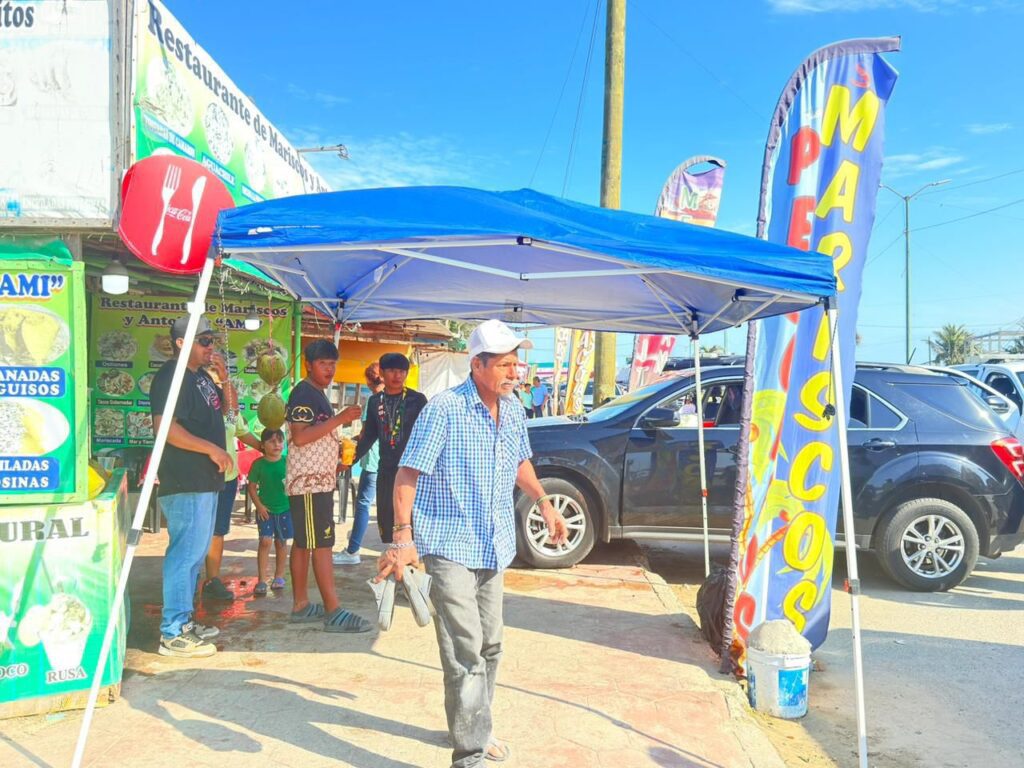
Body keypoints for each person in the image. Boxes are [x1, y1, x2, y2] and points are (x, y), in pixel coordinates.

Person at [375, 319, 569, 767]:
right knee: (465, 651)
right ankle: (470, 754)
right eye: (504, 364)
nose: (514, 372)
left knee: (491, 644)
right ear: (476, 365)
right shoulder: (444, 410)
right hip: (449, 545)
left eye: (516, 363)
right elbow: (407, 472)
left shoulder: (514, 409)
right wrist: (402, 538)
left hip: (494, 544)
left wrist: (544, 502)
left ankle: (477, 725)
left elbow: (519, 461)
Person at [150, 315, 234, 658]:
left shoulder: (201, 377)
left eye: (212, 340)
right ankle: (172, 633)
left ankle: (184, 622)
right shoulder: (171, 376)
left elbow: (228, 412)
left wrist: (224, 378)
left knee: (195, 555)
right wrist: (211, 449)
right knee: (184, 555)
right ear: (182, 343)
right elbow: (164, 427)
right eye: (205, 341)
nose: (210, 347)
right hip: (185, 479)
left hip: (205, 480)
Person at [284, 339, 372, 632]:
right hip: (309, 483)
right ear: (309, 365)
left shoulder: (316, 393)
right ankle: (333, 610)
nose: (329, 370)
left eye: (333, 364)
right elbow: (300, 436)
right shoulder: (303, 393)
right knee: (322, 544)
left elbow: (314, 435)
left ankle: (301, 605)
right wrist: (340, 419)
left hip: (316, 480)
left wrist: (335, 457)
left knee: (303, 543)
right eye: (323, 364)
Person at [350, 352, 428, 544]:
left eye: (402, 371)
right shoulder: (375, 402)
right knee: (388, 521)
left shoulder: (418, 400)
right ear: (383, 373)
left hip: (412, 472)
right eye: (392, 371)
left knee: (413, 523)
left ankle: (412, 561)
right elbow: (369, 436)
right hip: (386, 471)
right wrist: (349, 460)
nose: (397, 375)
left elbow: (428, 435)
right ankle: (395, 558)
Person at [203, 411, 261, 600]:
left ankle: (212, 581)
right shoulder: (200, 403)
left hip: (227, 478)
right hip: (200, 478)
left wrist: (265, 447)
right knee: (195, 531)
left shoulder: (230, 410)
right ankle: (187, 579)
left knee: (217, 531)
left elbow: (242, 433)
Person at [334, 362, 384, 566]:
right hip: (391, 463)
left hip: (373, 461)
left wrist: (349, 456)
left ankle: (353, 550)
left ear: (369, 382)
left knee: (363, 504)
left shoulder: (373, 401)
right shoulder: (400, 399)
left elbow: (366, 435)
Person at [247, 428, 292, 595]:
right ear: (262, 445)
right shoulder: (258, 464)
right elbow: (251, 487)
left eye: (280, 441)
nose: (277, 444)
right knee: (265, 541)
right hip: (265, 510)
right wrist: (259, 506)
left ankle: (279, 576)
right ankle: (261, 579)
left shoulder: (288, 462)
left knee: (281, 542)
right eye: (272, 441)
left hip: (285, 509)